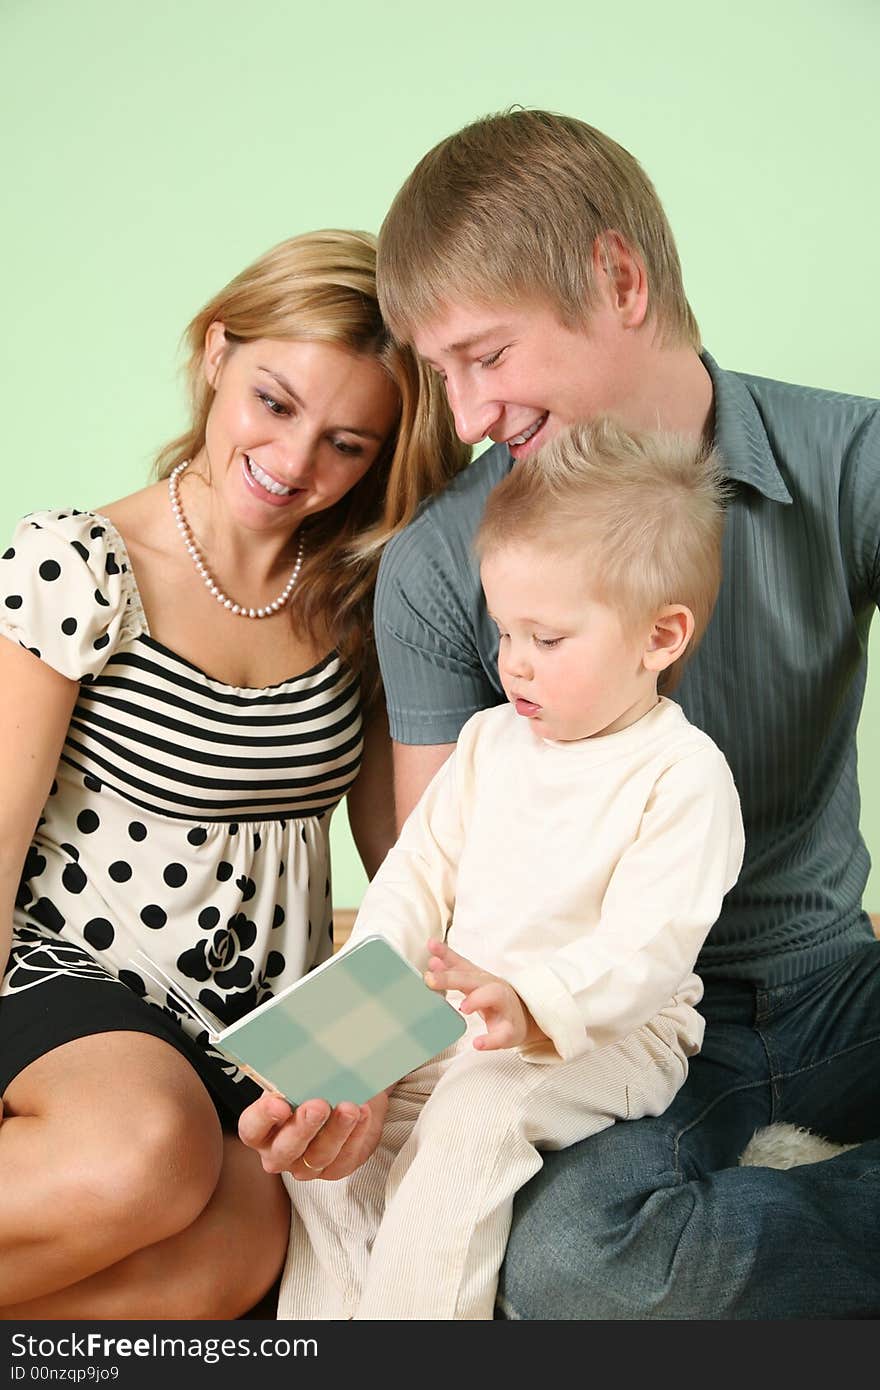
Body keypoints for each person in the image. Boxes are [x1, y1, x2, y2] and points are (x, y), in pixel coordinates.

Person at [367, 109, 880, 1319]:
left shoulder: (847, 456)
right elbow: (423, 900)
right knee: (562, 1268)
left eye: (485, 357)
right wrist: (333, 1074)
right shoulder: (444, 565)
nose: (468, 415)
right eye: (442, 374)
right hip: (616, 1042)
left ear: (618, 279)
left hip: (832, 980)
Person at [0, 228, 467, 1320]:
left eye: (348, 443)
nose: (297, 461)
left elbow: (410, 867)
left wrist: (363, 1056)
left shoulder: (369, 602)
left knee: (253, 1244)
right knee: (145, 1144)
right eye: (274, 401)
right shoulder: (78, 561)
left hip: (247, 1033)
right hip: (63, 982)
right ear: (216, 353)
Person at [273, 418, 744, 1321]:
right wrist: (354, 1021)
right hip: (465, 1017)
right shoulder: (493, 740)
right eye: (504, 630)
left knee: (474, 1120)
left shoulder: (681, 777)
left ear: (661, 636)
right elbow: (415, 876)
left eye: (549, 638)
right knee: (334, 1139)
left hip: (609, 1032)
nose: (513, 662)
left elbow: (646, 949)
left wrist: (533, 1005)